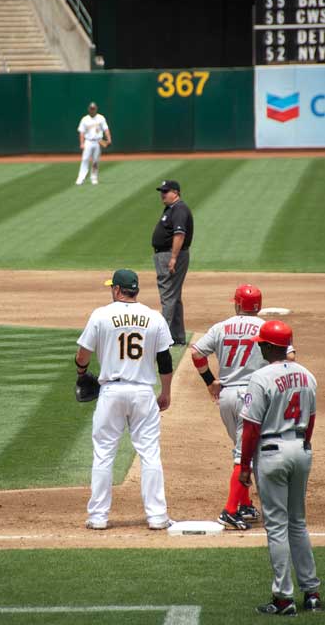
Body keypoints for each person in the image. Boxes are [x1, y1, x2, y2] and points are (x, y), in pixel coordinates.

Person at [75, 268, 174, 530]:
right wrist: (165, 392)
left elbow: (83, 354)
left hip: (111, 393)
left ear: (118, 290)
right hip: (143, 393)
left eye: (112, 287)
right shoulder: (154, 318)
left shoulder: (101, 315)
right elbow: (164, 360)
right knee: (150, 453)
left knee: (104, 454)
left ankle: (98, 517)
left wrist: (81, 372)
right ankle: (157, 516)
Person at [191, 285, 296, 531]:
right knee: (244, 453)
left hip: (226, 396)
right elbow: (289, 358)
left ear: (237, 304)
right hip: (254, 395)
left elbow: (196, 353)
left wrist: (210, 382)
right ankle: (229, 511)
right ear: (258, 306)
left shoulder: (221, 327)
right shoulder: (265, 328)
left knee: (243, 448)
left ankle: (245, 503)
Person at [239, 320, 321, 616]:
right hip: (301, 449)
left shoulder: (260, 378)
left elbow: (251, 428)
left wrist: (245, 466)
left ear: (270, 347)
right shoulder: (307, 375)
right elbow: (310, 420)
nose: (260, 345)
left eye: (262, 343)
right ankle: (311, 593)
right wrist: (303, 444)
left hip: (272, 452)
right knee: (298, 522)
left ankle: (283, 598)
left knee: (276, 526)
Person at [151, 180, 193, 345]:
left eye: (166, 191)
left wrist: (173, 257)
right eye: (162, 191)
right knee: (173, 296)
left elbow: (180, 234)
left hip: (171, 255)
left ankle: (162, 338)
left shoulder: (179, 209)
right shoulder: (173, 208)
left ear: (175, 192)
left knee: (168, 295)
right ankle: (177, 337)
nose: (162, 194)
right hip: (168, 254)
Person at [75, 101, 111, 185]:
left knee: (95, 161)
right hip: (88, 141)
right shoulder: (85, 119)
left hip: (98, 142)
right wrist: (82, 143)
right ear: (89, 109)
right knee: (85, 159)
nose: (92, 110)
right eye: (91, 109)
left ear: (96, 109)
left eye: (93, 109)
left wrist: (109, 139)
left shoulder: (101, 118)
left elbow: (106, 129)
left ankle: (94, 178)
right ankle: (81, 178)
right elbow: (81, 132)